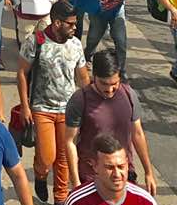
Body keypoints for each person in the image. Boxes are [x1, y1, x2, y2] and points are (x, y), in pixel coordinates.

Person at [17, 0, 89, 205]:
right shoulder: (35, 41)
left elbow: (83, 77)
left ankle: (60, 197)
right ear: (57, 23)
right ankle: (40, 173)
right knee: (48, 156)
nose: (75, 28)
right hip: (42, 108)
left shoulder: (75, 44)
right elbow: (22, 73)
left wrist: (90, 103)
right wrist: (25, 106)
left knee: (65, 155)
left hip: (68, 109)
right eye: (71, 24)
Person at [64, 50, 156, 193]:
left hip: (123, 174)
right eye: (104, 84)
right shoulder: (80, 100)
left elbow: (137, 134)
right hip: (91, 178)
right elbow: (70, 142)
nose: (109, 89)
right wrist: (76, 182)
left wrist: (148, 172)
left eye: (114, 83)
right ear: (94, 77)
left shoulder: (129, 95)